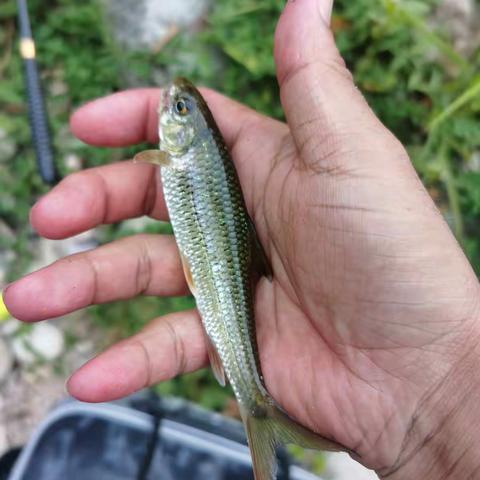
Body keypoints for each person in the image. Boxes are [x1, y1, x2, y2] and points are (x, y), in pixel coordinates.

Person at [3, 0, 480, 478]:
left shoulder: (175, 157)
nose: (171, 104)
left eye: (180, 108)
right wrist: (441, 404)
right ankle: (256, 407)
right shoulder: (180, 157)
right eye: (180, 107)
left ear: (187, 130)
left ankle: (256, 405)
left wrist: (447, 395)